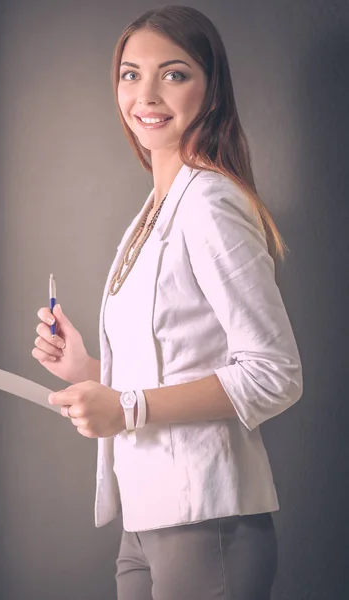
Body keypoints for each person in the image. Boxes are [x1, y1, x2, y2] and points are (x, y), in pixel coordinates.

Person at [32, 5, 302, 600]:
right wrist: (85, 372)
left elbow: (275, 375)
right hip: (146, 514)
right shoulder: (152, 212)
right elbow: (171, 369)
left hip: (208, 522)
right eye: (130, 74)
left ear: (211, 89)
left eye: (173, 74)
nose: (146, 94)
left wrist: (125, 410)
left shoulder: (210, 203)